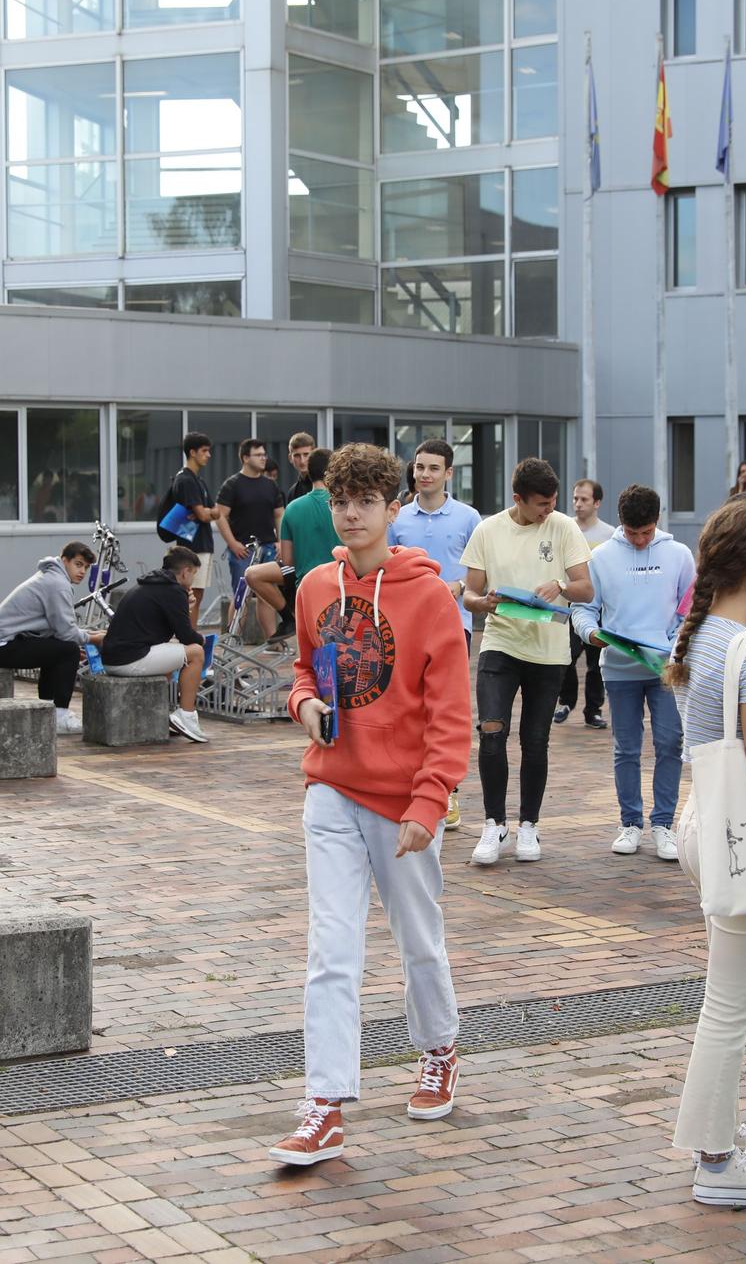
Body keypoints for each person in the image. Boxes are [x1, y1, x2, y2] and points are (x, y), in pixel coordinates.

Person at [269, 444, 470, 1166]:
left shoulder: (430, 595)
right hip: (330, 785)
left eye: (365, 502)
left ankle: (439, 1047)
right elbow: (301, 667)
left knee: (419, 937)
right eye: (341, 502)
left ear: (393, 509)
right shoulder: (315, 587)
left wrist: (430, 799)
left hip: (405, 802)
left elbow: (451, 714)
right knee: (331, 948)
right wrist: (304, 704)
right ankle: (324, 1103)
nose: (351, 514)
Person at [664, 495, 746, 1210]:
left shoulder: (705, 635)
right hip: (737, 835)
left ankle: (720, 1131)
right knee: (730, 1003)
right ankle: (714, 1159)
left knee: (726, 994)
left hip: (697, 820)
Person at [460, 458, 595, 866]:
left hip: (549, 651)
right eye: (541, 504)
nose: (549, 509)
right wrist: (484, 603)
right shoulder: (488, 530)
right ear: (518, 499)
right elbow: (470, 593)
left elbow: (586, 589)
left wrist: (560, 585)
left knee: (536, 741)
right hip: (500, 644)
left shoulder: (565, 527)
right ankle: (493, 823)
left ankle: (528, 826)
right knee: (491, 731)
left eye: (553, 501)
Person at [570, 484, 694, 861]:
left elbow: (690, 610)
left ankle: (662, 824)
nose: (640, 541)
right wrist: (590, 634)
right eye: (632, 533)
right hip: (619, 667)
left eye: (647, 533)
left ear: (657, 522)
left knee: (670, 742)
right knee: (626, 747)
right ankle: (631, 823)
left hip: (665, 667)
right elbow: (583, 609)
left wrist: (675, 644)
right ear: (621, 524)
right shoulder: (601, 556)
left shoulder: (679, 555)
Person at [391, 439, 482, 831]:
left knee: (445, 709)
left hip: (452, 626)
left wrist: (458, 588)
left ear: (448, 473)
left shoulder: (468, 517)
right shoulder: (397, 518)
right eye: (419, 467)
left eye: (432, 468)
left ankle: (448, 791)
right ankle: (406, 786)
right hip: (402, 628)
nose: (424, 474)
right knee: (409, 709)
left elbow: (483, 570)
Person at [0, 541, 97, 734]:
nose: (82, 571)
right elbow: (67, 632)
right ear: (64, 561)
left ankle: (47, 710)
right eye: (78, 564)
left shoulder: (51, 577)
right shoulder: (57, 584)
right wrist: (94, 639)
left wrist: (82, 639)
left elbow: (58, 631)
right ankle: (59, 717)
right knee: (68, 650)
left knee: (61, 649)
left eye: (86, 567)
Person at [102, 544, 211, 742]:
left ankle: (158, 716)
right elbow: (187, 636)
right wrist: (202, 639)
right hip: (129, 659)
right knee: (195, 652)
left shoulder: (151, 584)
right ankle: (186, 715)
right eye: (194, 573)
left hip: (115, 658)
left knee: (172, 657)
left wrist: (184, 607)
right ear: (185, 572)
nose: (193, 579)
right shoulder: (173, 591)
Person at [246, 448, 337, 639]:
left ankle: (288, 617)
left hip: (306, 583)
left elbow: (287, 560)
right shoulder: (342, 504)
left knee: (252, 574)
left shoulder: (293, 507)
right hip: (339, 581)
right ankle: (290, 620)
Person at [557, 478, 612, 727]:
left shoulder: (608, 535)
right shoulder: (564, 529)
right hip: (567, 604)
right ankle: (565, 701)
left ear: (597, 503)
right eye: (575, 498)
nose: (578, 504)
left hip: (598, 608)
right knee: (565, 656)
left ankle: (593, 710)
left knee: (596, 662)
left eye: (584, 499)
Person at [216, 437, 286, 620]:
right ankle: (231, 641)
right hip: (243, 551)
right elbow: (220, 515)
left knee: (267, 597)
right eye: (258, 455)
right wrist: (232, 543)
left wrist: (280, 541)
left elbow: (280, 514)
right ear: (245, 458)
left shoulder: (270, 485)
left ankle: (273, 642)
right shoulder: (232, 484)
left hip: (269, 548)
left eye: (264, 454)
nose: (263, 458)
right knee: (241, 595)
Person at [172, 432, 218, 629]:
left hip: (201, 544)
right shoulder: (186, 480)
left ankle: (191, 634)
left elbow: (213, 511)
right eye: (204, 451)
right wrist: (206, 512)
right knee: (191, 595)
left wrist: (208, 512)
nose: (208, 455)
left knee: (196, 595)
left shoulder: (198, 480)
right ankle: (188, 637)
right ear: (192, 452)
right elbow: (204, 514)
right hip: (193, 547)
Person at [285, 431, 318, 502]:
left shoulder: (327, 485)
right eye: (297, 455)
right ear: (290, 458)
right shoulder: (292, 492)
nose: (302, 461)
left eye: (306, 454)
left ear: (314, 455)